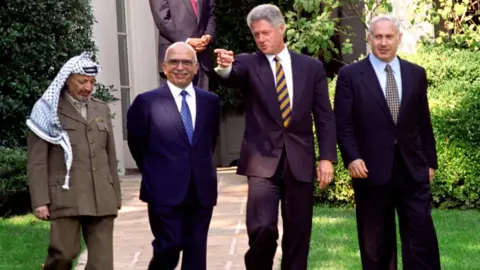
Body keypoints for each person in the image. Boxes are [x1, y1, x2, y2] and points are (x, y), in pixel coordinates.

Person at [214, 4, 337, 269]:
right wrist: (224, 67)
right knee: (262, 229)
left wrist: (327, 158)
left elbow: (324, 116)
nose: (261, 39)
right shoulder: (248, 63)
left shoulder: (311, 67)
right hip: (262, 163)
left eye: (266, 33)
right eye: (256, 34)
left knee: (298, 234)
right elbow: (231, 75)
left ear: (282, 29)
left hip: (300, 162)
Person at [334, 14, 441, 270]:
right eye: (378, 37)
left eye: (389, 37)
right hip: (370, 171)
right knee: (376, 245)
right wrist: (353, 157)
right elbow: (344, 124)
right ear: (370, 38)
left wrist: (431, 161)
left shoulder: (416, 74)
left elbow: (423, 122)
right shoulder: (350, 75)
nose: (383, 42)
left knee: (421, 240)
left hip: (413, 169)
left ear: (399, 39)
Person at [126, 42, 221, 270]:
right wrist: (156, 172)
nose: (181, 67)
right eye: (174, 62)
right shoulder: (146, 102)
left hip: (201, 190)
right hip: (163, 190)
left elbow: (209, 141)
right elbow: (137, 145)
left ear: (196, 68)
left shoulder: (210, 102)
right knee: (168, 246)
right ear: (164, 67)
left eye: (187, 62)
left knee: (196, 252)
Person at [26, 52, 122, 270]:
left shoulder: (101, 108)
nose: (88, 87)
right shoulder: (47, 110)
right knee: (63, 254)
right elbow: (37, 161)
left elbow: (109, 153)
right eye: (82, 81)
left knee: (102, 265)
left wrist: (115, 194)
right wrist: (40, 200)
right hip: (65, 196)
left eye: (92, 82)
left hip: (101, 196)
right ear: (67, 79)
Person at [149, 0, 215, 90]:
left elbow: (211, 14)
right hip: (175, 59)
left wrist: (208, 35)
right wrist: (187, 41)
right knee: (174, 103)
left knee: (201, 103)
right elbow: (162, 19)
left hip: (201, 59)